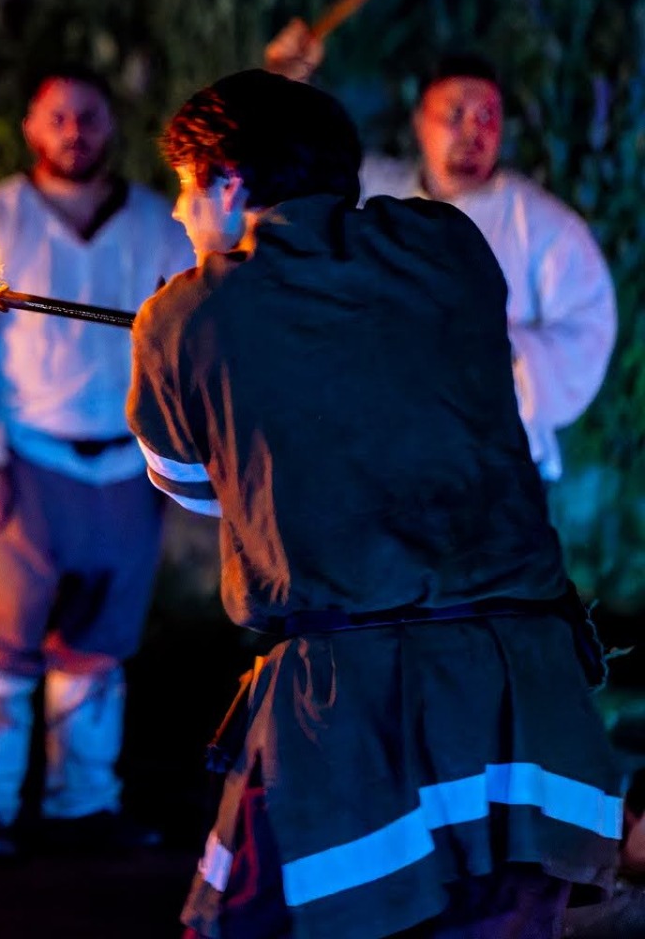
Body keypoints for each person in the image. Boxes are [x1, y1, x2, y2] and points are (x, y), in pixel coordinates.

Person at [132, 68, 621, 938]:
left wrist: (211, 334)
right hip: (525, 688)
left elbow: (201, 489)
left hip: (352, 711)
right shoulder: (449, 247)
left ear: (231, 184)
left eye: (185, 189)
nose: (177, 215)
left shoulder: (183, 317)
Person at [0, 66, 193, 858]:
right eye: (58, 117)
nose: (75, 130)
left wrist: (182, 462)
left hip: (126, 465)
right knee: (6, 645)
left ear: (112, 126)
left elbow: (185, 348)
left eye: (89, 116)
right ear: (32, 129)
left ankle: (85, 805)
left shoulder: (158, 224)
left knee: (98, 648)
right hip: (27, 461)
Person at [266, 23, 617, 482]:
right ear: (419, 121)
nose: (473, 130)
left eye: (487, 116)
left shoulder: (543, 227)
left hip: (485, 469)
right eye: (454, 113)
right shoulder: (374, 192)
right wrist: (284, 86)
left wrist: (495, 351)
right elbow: (295, 172)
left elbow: (589, 326)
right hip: (371, 455)